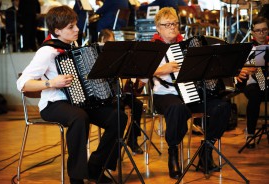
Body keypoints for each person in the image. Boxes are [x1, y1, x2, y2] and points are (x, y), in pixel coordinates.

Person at [16, 5, 127, 184]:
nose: (77, 29)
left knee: (118, 117)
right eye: (71, 27)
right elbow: (22, 84)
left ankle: (95, 167)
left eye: (76, 25)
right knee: (79, 117)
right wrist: (51, 83)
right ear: (57, 30)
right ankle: (76, 177)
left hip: (78, 102)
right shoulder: (46, 52)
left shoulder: (72, 45)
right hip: (53, 104)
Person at [150, 7, 231, 179]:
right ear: (158, 28)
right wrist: (160, 69)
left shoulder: (188, 45)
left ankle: (206, 150)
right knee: (178, 109)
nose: (172, 27)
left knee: (222, 107)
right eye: (167, 24)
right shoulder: (151, 48)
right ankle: (173, 154)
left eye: (175, 23)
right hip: (165, 95)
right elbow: (140, 78)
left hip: (191, 94)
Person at [98, 29, 144, 154]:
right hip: (106, 95)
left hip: (120, 93)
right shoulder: (97, 54)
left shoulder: (118, 55)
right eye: (109, 42)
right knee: (119, 109)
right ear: (101, 41)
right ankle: (114, 145)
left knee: (138, 105)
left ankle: (132, 140)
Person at [236, 16, 269, 149]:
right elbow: (236, 68)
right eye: (258, 30)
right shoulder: (248, 48)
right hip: (251, 83)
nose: (261, 33)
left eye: (264, 30)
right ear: (253, 32)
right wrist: (244, 67)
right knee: (255, 94)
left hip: (266, 81)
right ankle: (250, 132)